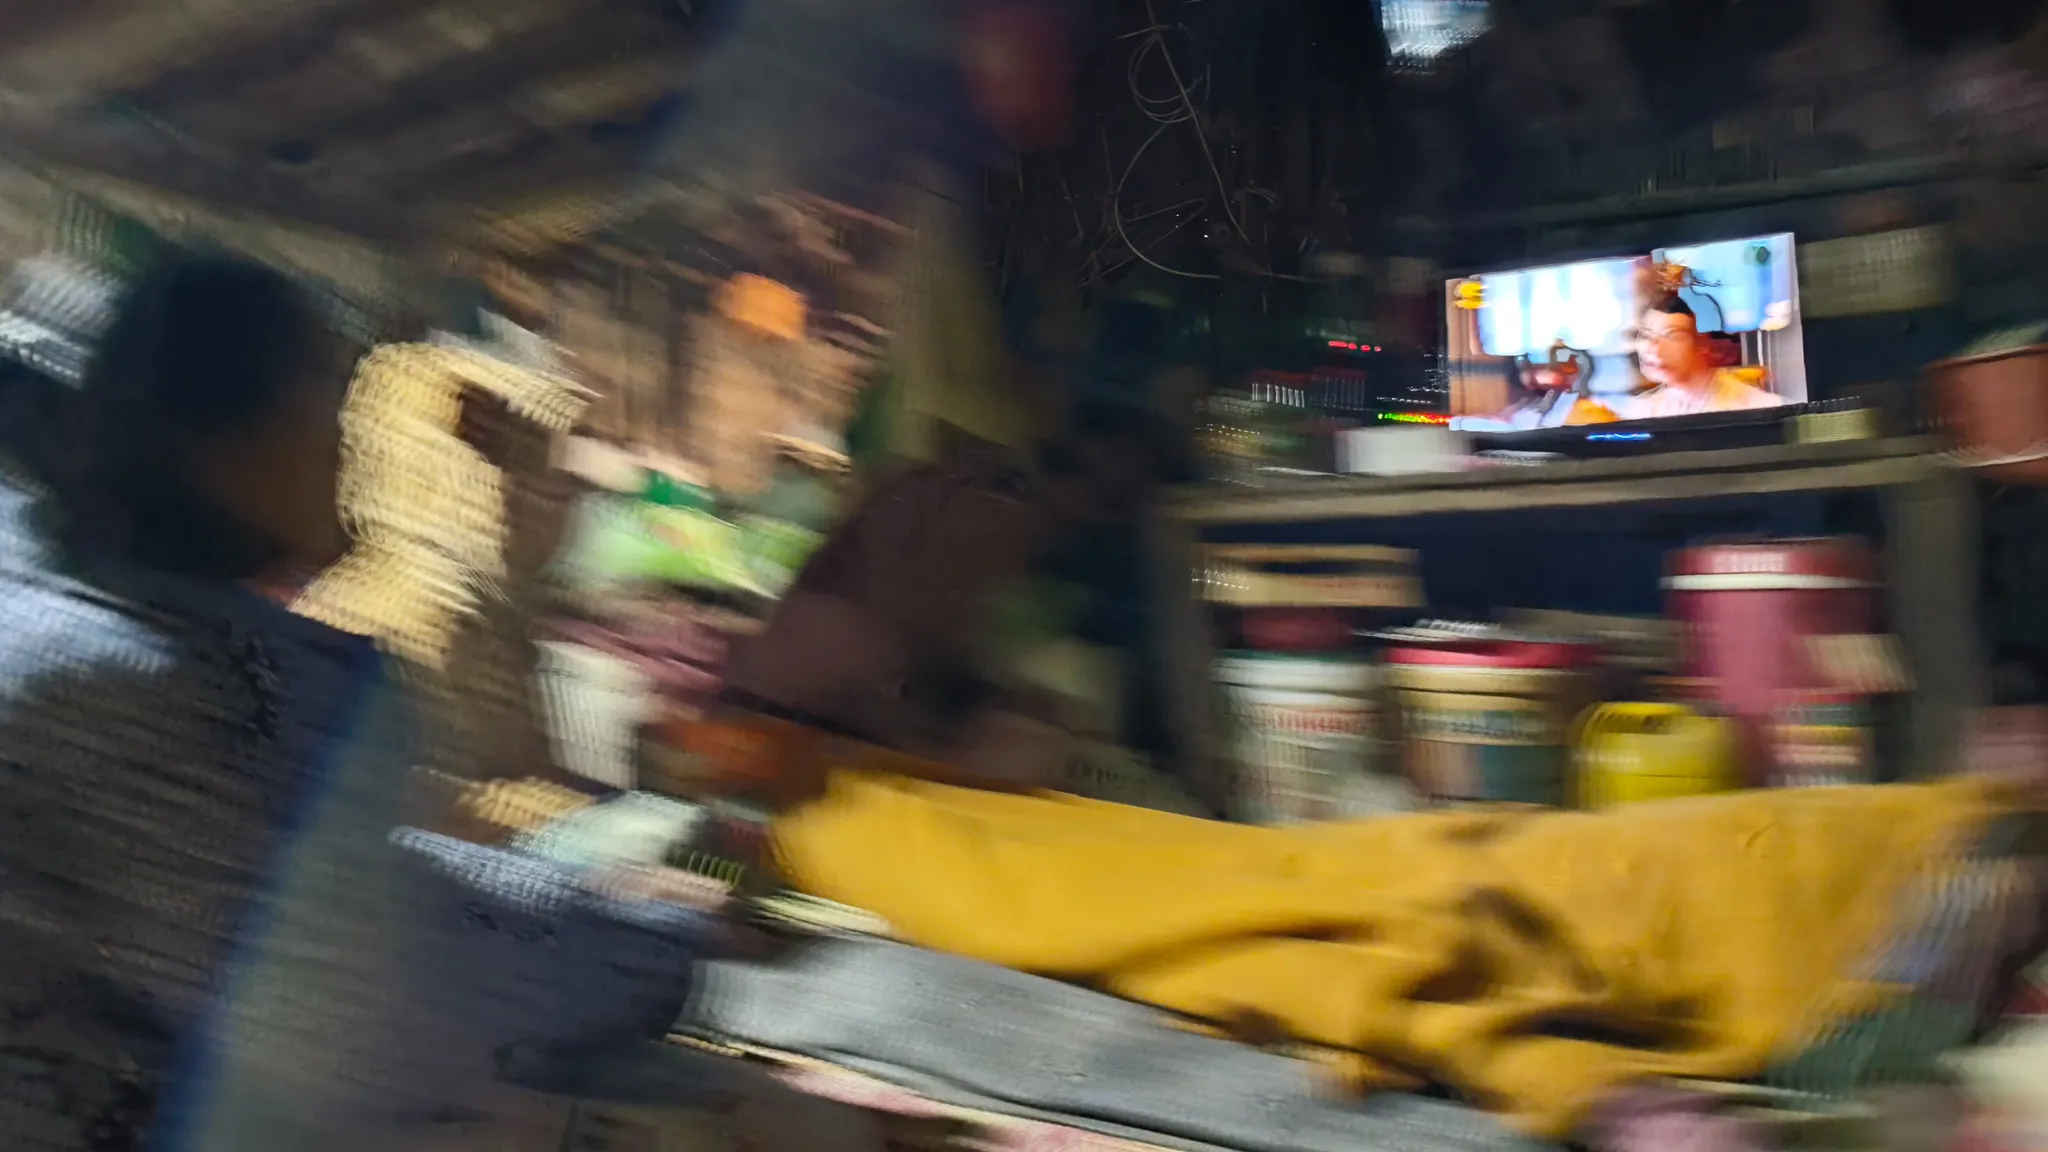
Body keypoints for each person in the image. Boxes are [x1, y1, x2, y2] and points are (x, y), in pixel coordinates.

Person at [1622, 293, 1785, 419]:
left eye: (1672, 336)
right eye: (1646, 336)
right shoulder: (1641, 411)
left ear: (1706, 345)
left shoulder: (1760, 407)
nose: (1652, 348)